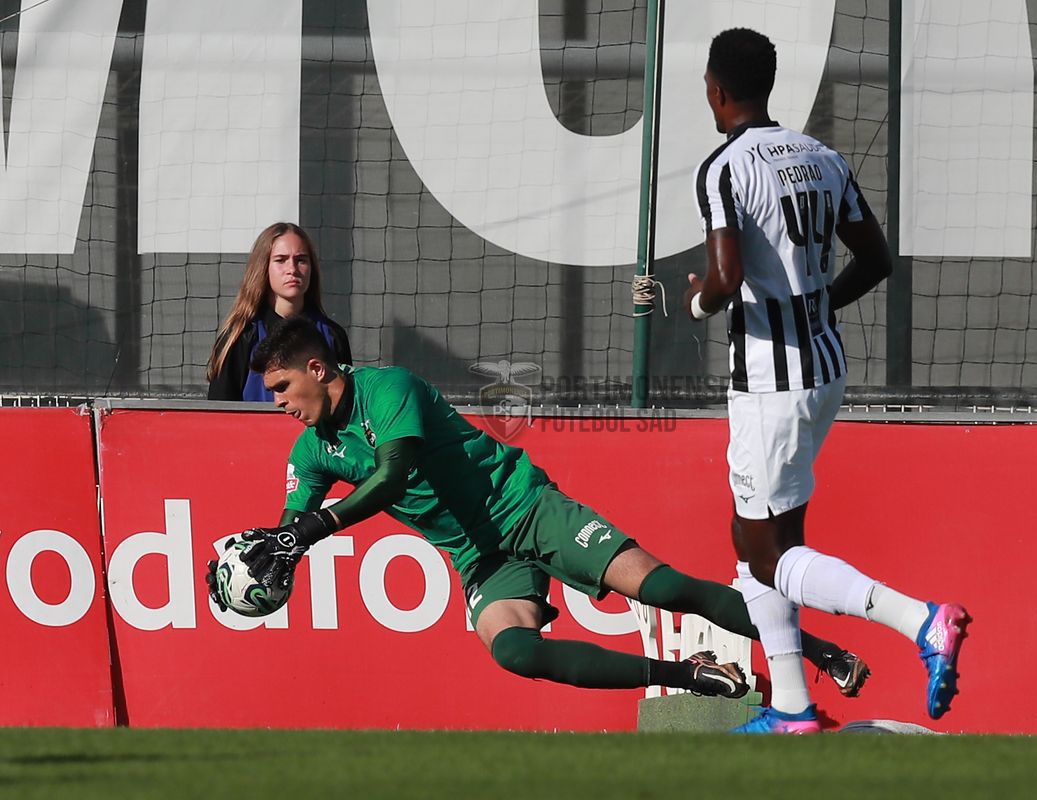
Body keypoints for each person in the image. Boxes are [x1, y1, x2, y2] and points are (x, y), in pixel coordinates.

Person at [204, 316, 871, 700]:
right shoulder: (311, 449)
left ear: (319, 371)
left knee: (665, 587)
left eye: (283, 387)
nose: (280, 402)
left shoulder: (389, 389)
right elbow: (294, 521)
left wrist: (317, 528)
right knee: (515, 652)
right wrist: (265, 554)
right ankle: (690, 676)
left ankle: (818, 650)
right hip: (477, 553)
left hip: (522, 505)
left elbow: (394, 471)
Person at [683, 28, 970, 733]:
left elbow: (726, 278)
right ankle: (790, 707)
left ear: (716, 89)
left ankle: (921, 621)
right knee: (767, 540)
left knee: (765, 552)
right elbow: (876, 260)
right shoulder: (822, 158)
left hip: (768, 385)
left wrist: (695, 301)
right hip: (823, 371)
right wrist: (818, 306)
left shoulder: (725, 168)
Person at [206, 222, 352, 401]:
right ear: (263, 268)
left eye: (301, 260)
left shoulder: (333, 336)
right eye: (280, 260)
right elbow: (218, 416)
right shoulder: (240, 337)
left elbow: (345, 409)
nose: (292, 269)